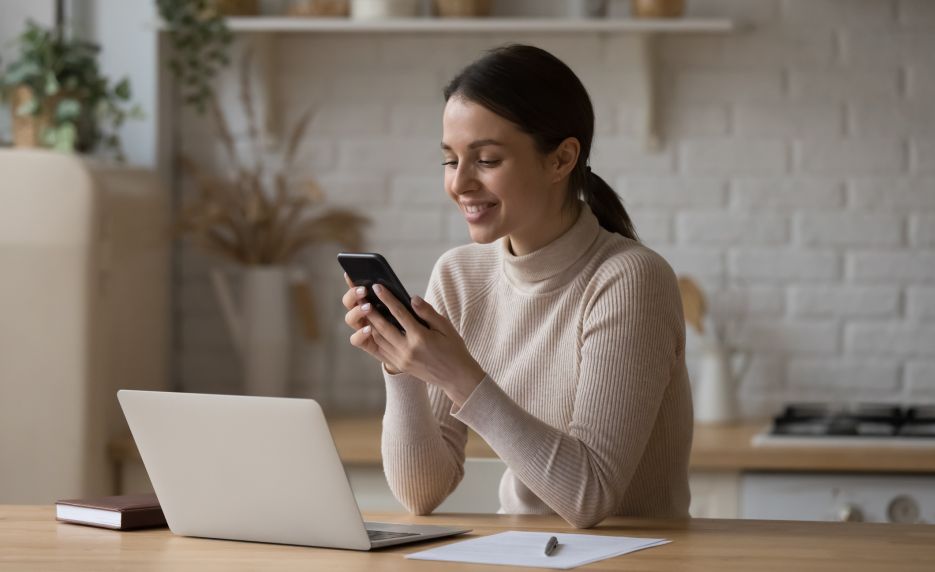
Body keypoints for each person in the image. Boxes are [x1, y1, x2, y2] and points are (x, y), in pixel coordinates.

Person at [341, 44, 691, 528]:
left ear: (561, 159)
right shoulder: (460, 275)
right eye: (450, 160)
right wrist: (400, 368)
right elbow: (422, 493)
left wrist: (458, 375)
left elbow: (590, 497)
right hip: (522, 553)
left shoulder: (630, 279)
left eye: (485, 159)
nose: (460, 183)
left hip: (635, 557)